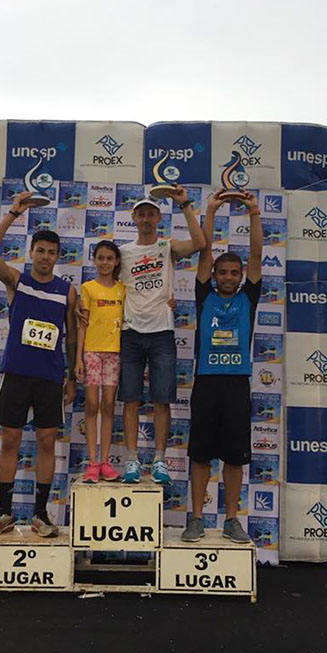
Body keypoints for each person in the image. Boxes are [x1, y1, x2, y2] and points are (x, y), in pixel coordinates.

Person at [0, 190, 77, 539]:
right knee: (10, 440)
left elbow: (72, 335)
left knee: (47, 443)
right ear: (31, 252)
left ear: (57, 257)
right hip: (17, 373)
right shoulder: (18, 280)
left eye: (52, 252)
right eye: (40, 251)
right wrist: (12, 215)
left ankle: (40, 515)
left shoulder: (67, 290)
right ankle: (3, 513)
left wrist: (72, 376)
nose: (46, 257)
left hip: (50, 377)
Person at [181, 189, 262, 543]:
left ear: (241, 276)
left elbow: (257, 252)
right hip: (207, 383)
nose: (228, 277)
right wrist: (210, 211)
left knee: (233, 458)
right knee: (200, 455)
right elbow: (205, 250)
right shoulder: (204, 296)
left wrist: (255, 214)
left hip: (236, 385)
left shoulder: (249, 297)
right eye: (222, 273)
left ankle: (231, 519)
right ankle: (196, 518)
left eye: (234, 273)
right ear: (213, 275)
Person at [117, 188, 205, 485]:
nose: (145, 218)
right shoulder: (123, 252)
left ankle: (159, 460)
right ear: (133, 218)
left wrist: (184, 204)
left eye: (150, 214)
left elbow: (200, 242)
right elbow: (107, 285)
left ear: (158, 218)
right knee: (130, 399)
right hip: (129, 331)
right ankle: (131, 460)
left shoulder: (167, 247)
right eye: (140, 214)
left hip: (162, 332)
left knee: (161, 400)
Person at [75, 240, 124, 483]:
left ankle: (105, 461)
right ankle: (92, 462)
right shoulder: (87, 288)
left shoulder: (122, 289)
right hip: (92, 352)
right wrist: (78, 359)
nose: (105, 263)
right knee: (92, 405)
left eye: (110, 258)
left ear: (116, 262)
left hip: (114, 353)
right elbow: (81, 325)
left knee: (108, 405)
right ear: (94, 260)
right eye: (101, 258)